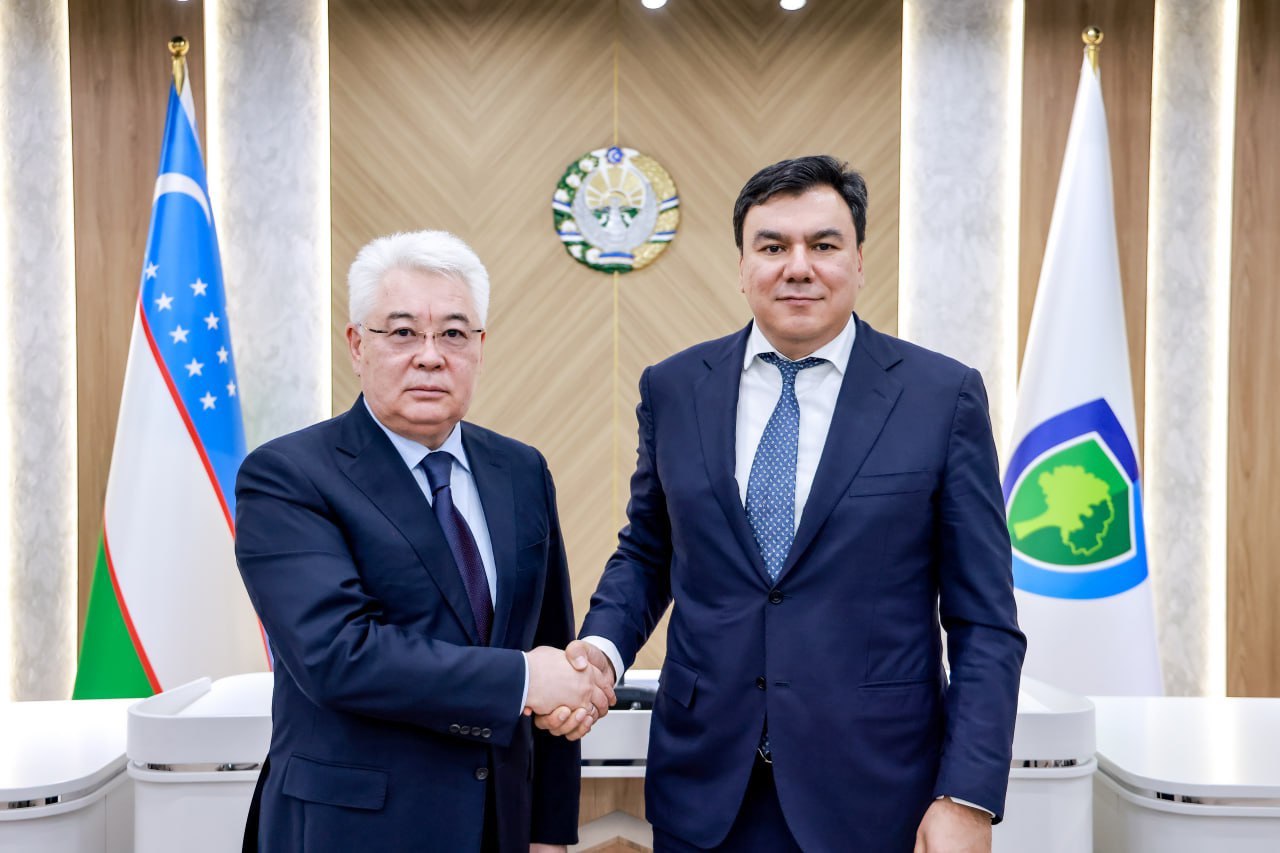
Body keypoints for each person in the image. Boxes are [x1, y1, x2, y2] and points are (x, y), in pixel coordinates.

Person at [540, 156, 1026, 852]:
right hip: (706, 793)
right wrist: (600, 652)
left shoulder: (940, 397)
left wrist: (967, 796)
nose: (798, 267)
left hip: (877, 797)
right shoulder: (674, 388)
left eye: (823, 244)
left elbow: (985, 622)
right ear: (742, 266)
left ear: (859, 261)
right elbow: (648, 551)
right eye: (772, 247)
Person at [234, 230, 614, 853]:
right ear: (357, 345)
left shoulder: (520, 470)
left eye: (454, 334)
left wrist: (548, 829)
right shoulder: (288, 475)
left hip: (500, 825)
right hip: (353, 829)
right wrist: (524, 679)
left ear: (480, 349)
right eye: (403, 332)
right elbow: (337, 655)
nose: (431, 356)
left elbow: (548, 639)